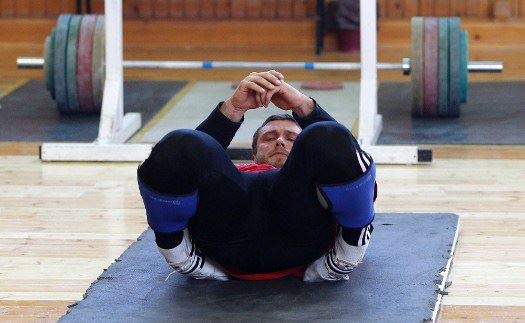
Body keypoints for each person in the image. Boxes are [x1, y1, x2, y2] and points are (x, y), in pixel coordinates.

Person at [137, 71, 377, 282]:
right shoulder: (234, 174)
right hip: (226, 236)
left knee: (328, 135)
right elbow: (185, 158)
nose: (281, 141)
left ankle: (347, 256)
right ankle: (179, 257)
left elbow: (354, 168)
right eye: (269, 138)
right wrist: (234, 107)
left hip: (301, 233)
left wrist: (303, 104)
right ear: (253, 154)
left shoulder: (321, 182)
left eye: (292, 139)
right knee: (179, 144)